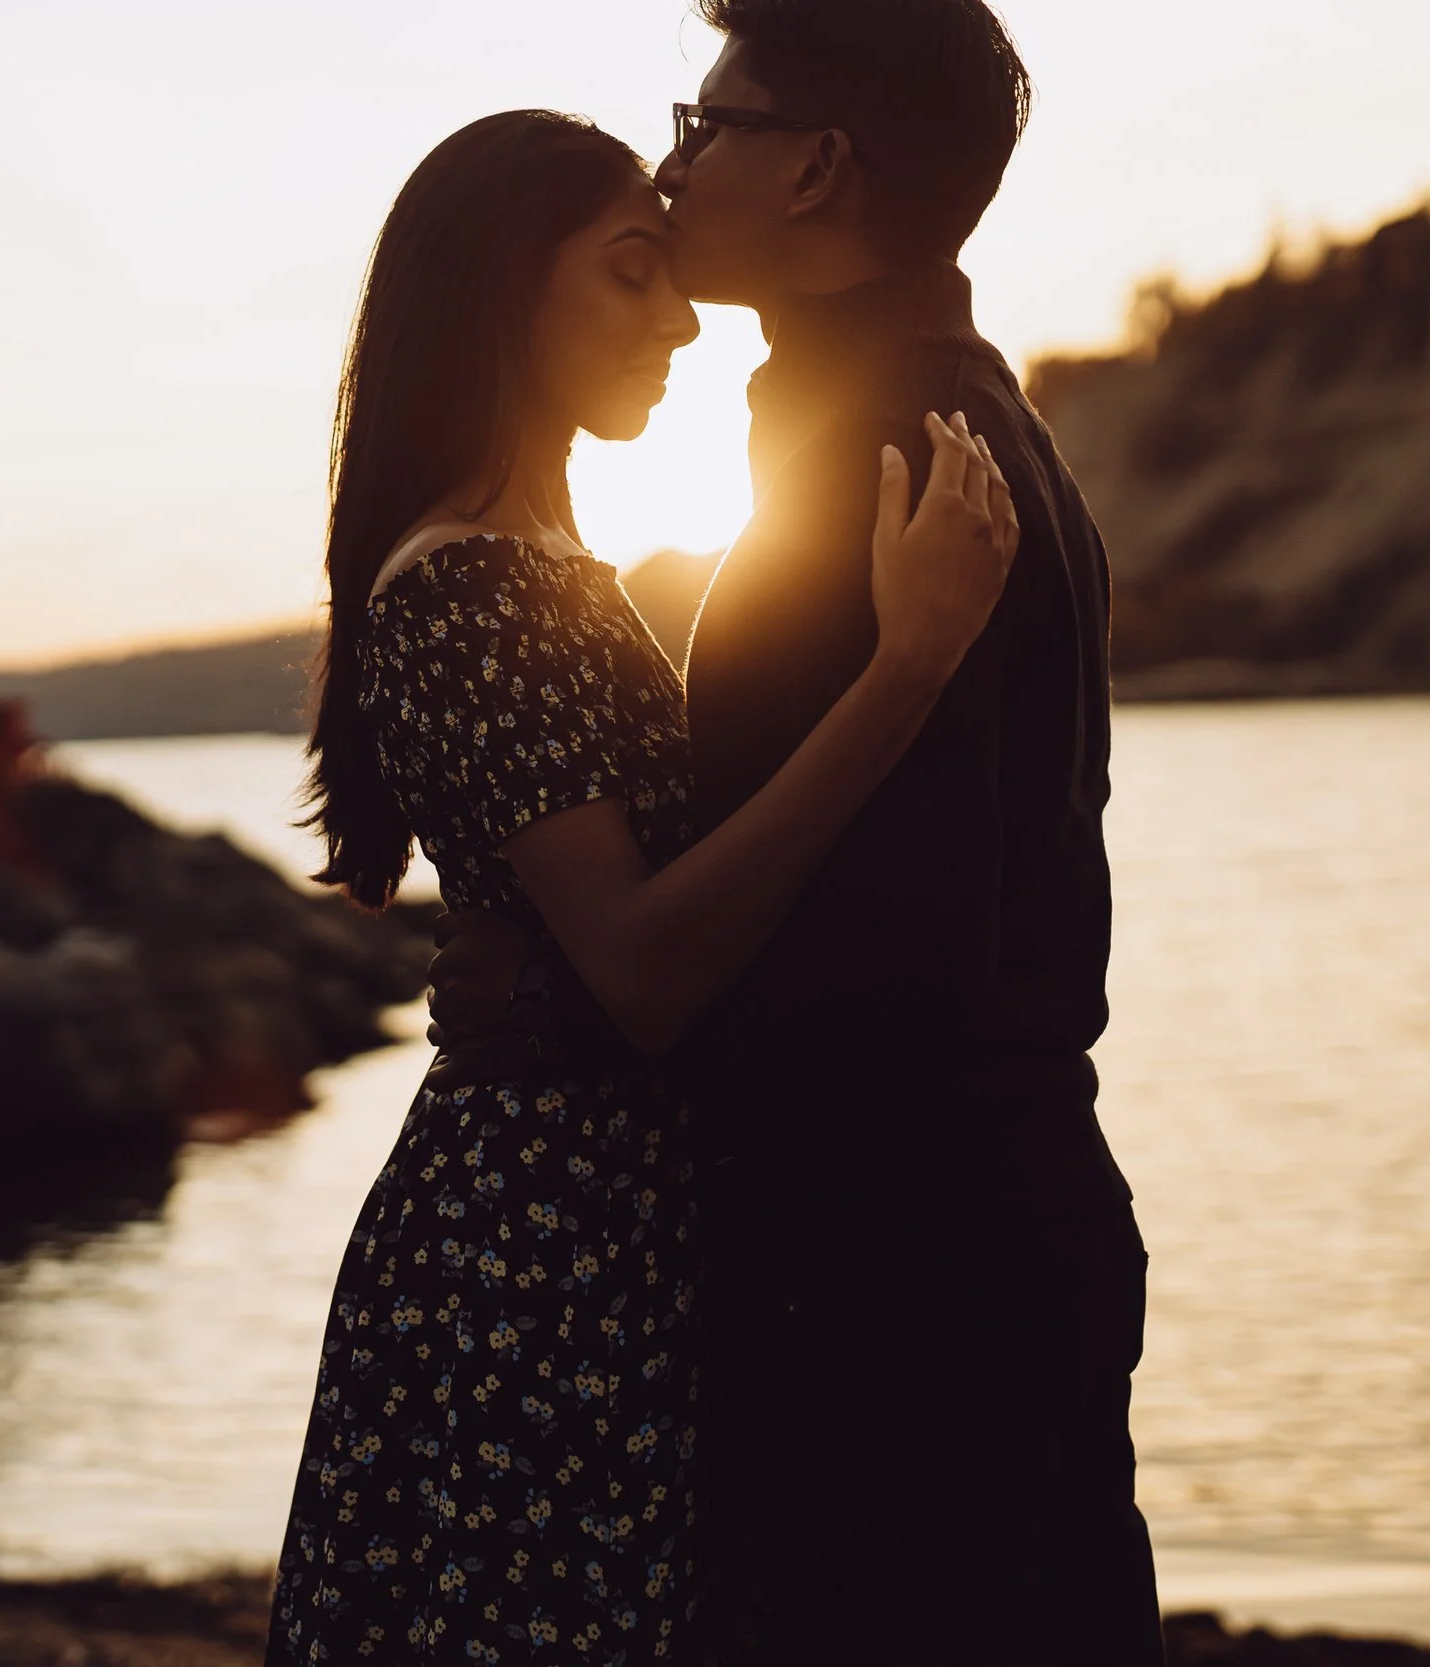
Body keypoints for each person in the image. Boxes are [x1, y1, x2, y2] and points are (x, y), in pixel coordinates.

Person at [428, 3, 1166, 1661]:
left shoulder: (877, 465)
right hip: (999, 1220)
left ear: (820, 166)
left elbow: (878, 955)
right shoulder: (978, 426)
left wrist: (555, 1005)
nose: (676, 167)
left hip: (895, 1267)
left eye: (707, 124)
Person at [265, 108, 1018, 1667]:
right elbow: (649, 969)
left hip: (583, 1237)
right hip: (534, 1271)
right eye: (630, 275)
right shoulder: (472, 584)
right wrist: (910, 665)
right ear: (499, 297)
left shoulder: (538, 567)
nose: (677, 319)